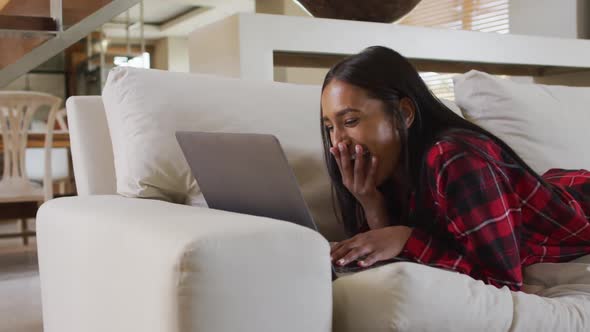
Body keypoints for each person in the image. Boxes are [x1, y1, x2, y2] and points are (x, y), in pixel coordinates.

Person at [322, 46, 590, 291]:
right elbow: (388, 258)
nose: (338, 142)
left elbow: (502, 281)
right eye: (330, 127)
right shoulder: (391, 174)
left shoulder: (454, 157)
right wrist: (371, 203)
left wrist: (407, 238)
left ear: (404, 114)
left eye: (351, 120)